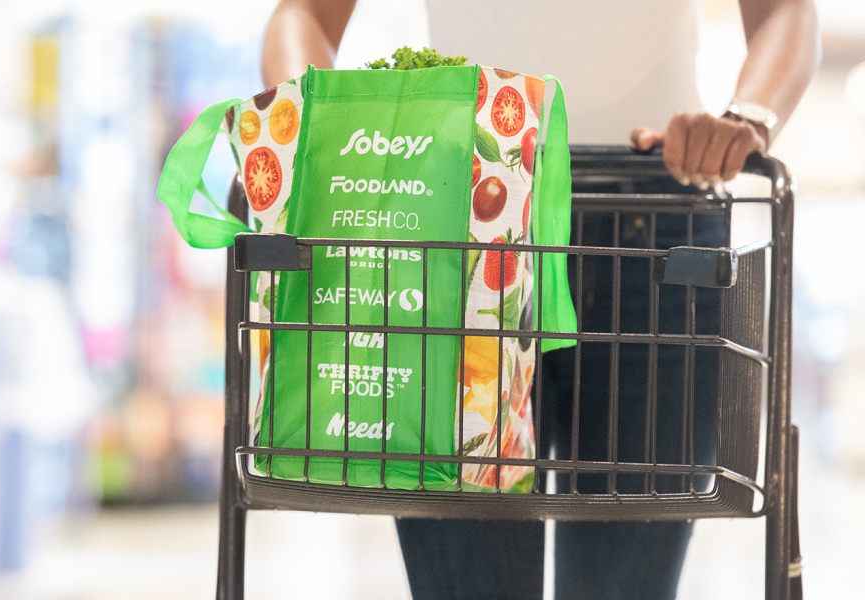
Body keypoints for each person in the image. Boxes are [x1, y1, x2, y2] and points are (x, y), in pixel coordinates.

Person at [261, 1, 819, 598]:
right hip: (462, 208)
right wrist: (325, 133)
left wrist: (748, 119)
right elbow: (308, 14)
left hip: (660, 222)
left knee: (629, 588)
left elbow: (786, 9)